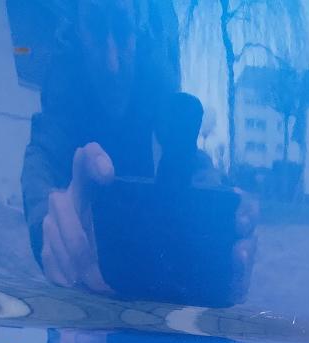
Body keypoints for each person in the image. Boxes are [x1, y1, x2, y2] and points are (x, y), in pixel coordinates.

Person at [21, 0, 256, 303]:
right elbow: (39, 161)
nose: (112, 63)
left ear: (138, 33)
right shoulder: (60, 104)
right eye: (96, 28)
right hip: (81, 300)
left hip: (157, 288)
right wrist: (49, 223)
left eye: (122, 29)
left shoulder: (159, 98)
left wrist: (214, 212)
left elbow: (187, 157)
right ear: (77, 33)